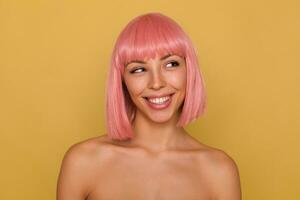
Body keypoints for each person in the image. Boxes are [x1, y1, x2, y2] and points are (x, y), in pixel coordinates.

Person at [57, 12, 242, 200]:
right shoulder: (82, 162)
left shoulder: (219, 172)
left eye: (171, 64)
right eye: (139, 69)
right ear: (122, 81)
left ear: (189, 70)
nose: (156, 83)